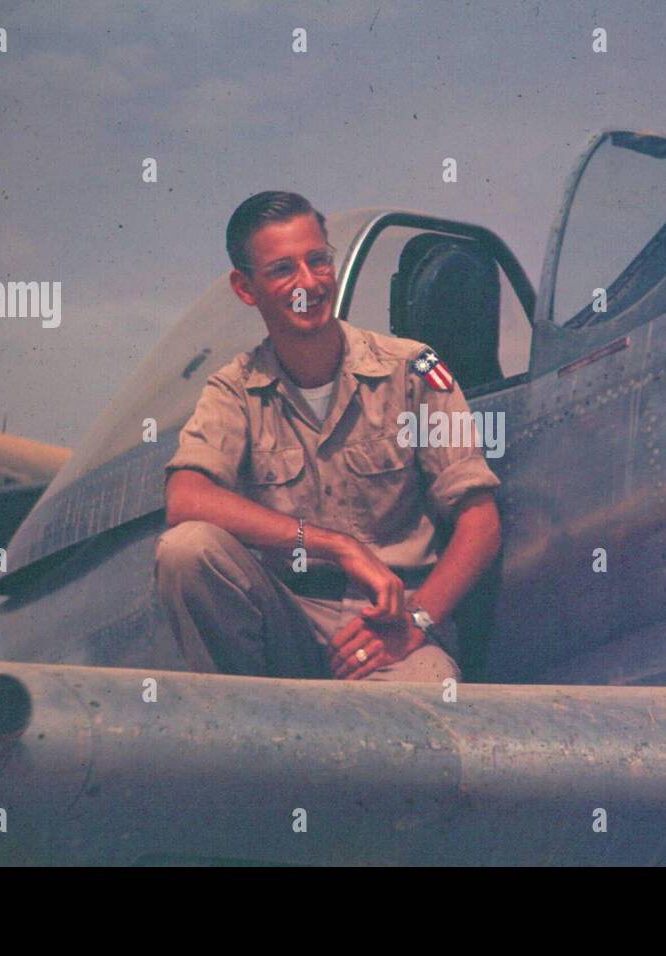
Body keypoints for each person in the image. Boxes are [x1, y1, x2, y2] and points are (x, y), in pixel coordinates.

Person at [155, 191, 502, 682]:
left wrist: (417, 620)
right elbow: (186, 499)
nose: (308, 284)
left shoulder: (413, 369)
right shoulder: (232, 390)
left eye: (318, 261)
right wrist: (337, 546)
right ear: (245, 288)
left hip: (391, 627)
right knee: (186, 549)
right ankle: (246, 731)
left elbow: (480, 523)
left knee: (428, 700)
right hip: (285, 624)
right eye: (281, 270)